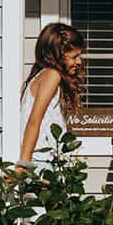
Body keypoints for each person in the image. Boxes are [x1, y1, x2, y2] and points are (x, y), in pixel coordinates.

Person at [18, 22, 85, 173]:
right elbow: (33, 122)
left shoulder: (41, 76)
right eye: (74, 56)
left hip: (43, 161)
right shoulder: (51, 75)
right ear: (58, 55)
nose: (79, 62)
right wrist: (23, 165)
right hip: (41, 162)